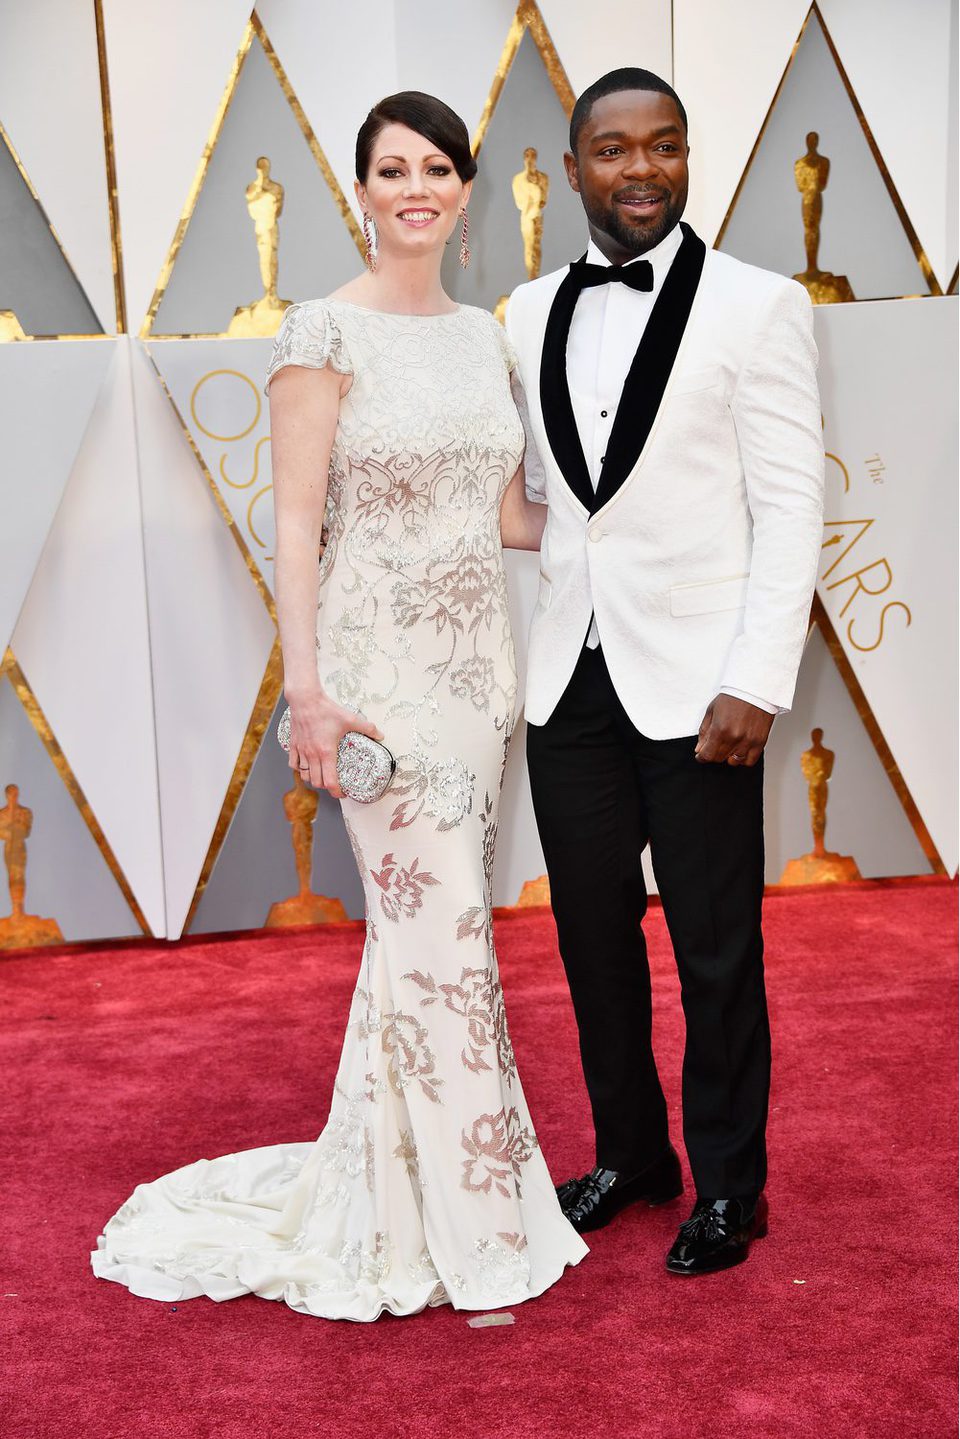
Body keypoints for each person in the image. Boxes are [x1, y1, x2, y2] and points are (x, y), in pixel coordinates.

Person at [91, 91, 586, 1320]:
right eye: (390, 169)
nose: (415, 186)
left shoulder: (486, 337)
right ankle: (479, 1218)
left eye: (436, 167)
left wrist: (644, 516)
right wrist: (306, 691)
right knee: (447, 942)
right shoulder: (322, 331)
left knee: (422, 949)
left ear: (466, 192)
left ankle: (400, 1194)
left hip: (480, 685)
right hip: (376, 689)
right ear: (360, 193)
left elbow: (509, 511)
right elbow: (296, 523)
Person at [504, 68, 824, 1275]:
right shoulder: (528, 311)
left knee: (715, 947)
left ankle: (732, 1188)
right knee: (592, 937)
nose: (642, 168)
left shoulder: (759, 304)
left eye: (666, 146)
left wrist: (758, 676)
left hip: (704, 688)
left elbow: (791, 507)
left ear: (688, 158)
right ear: (574, 166)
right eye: (615, 149)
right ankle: (633, 1153)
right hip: (567, 681)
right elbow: (548, 501)